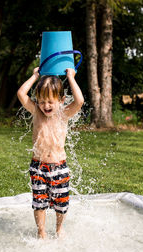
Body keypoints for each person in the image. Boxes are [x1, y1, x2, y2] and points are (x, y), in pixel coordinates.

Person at [17, 67, 84, 239]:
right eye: (41, 101)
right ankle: (41, 232)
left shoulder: (63, 114)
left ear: (61, 100)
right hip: (38, 166)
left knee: (61, 203)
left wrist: (71, 77)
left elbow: (80, 101)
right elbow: (21, 94)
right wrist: (34, 76)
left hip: (59, 166)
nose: (46, 106)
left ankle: (59, 228)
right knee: (39, 203)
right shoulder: (36, 112)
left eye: (50, 102)